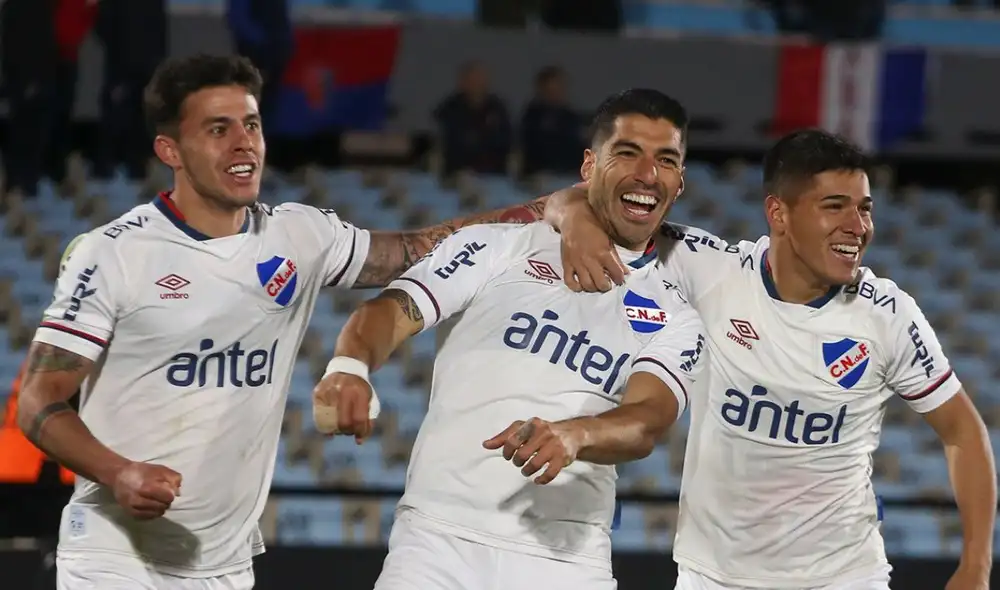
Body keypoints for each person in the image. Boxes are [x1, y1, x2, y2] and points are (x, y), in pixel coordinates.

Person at [16, 54, 554, 590]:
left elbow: (418, 250)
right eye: (218, 129)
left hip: (223, 567)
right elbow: (40, 401)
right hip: (115, 558)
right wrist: (119, 472)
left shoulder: (297, 236)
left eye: (250, 124)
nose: (242, 142)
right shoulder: (114, 253)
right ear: (169, 150)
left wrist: (549, 209)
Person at [546, 129, 996, 589]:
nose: (857, 227)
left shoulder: (888, 315)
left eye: (864, 208)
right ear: (778, 213)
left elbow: (963, 430)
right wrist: (577, 219)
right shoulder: (709, 269)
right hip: (713, 578)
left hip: (843, 579)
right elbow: (582, 207)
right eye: (834, 206)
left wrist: (976, 566)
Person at [313, 89, 706, 590]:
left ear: (680, 183)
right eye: (627, 153)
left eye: (666, 160)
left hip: (566, 558)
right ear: (589, 165)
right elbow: (391, 312)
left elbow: (647, 420)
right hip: (438, 542)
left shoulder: (677, 309)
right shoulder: (498, 246)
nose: (647, 174)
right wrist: (349, 366)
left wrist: (575, 434)